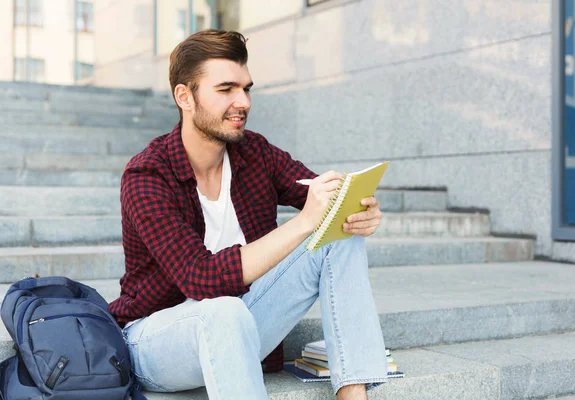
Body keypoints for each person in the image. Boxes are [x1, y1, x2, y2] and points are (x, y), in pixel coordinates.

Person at [108, 29, 388, 400]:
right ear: (184, 96)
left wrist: (357, 210)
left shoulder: (254, 152)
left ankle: (353, 393)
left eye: (246, 88)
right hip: (157, 343)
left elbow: (322, 196)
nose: (243, 102)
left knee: (340, 236)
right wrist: (305, 221)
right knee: (222, 310)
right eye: (226, 90)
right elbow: (200, 278)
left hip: (242, 324)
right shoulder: (147, 175)